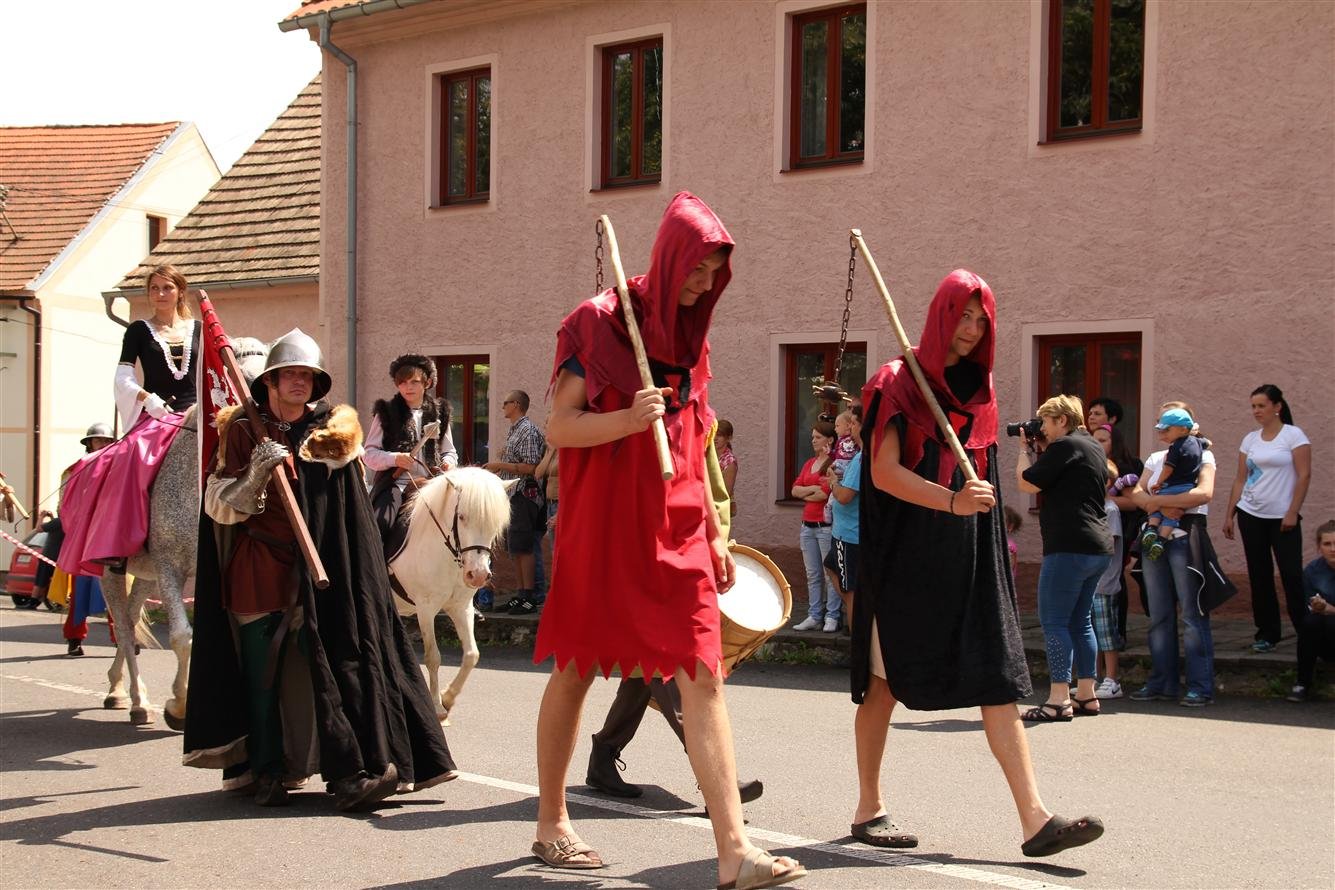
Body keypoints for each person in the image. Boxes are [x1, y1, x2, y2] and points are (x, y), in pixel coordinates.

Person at [531, 192, 805, 889]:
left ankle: (733, 852)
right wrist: (624, 419)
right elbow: (559, 428)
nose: (703, 284)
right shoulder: (595, 324)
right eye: (696, 270)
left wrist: (714, 525)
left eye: (714, 273)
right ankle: (552, 822)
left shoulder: (691, 337)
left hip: (678, 526)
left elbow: (696, 438)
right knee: (576, 669)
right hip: (603, 529)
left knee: (704, 677)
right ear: (669, 257)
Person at [852, 269, 1102, 858]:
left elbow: (983, 476)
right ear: (941, 316)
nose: (971, 329)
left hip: (968, 554)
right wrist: (951, 502)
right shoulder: (896, 381)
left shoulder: (980, 389)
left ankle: (1035, 820)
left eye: (980, 318)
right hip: (907, 559)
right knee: (883, 686)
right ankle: (868, 808)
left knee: (998, 674)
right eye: (962, 316)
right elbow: (883, 473)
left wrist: (983, 534)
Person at [184, 329, 457, 810]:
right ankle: (266, 770)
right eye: (289, 374)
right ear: (269, 381)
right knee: (262, 675)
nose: (298, 383)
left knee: (338, 666)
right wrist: (253, 475)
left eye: (306, 376)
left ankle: (350, 771)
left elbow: (346, 512)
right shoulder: (243, 429)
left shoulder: (331, 434)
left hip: (324, 570)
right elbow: (217, 506)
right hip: (260, 566)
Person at [584, 420, 763, 807]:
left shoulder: (701, 420)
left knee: (647, 673)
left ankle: (603, 754)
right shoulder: (628, 416)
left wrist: (716, 545)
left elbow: (712, 492)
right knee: (671, 671)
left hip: (684, 561)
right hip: (640, 563)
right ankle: (719, 779)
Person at [58, 264, 201, 576]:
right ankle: (121, 545)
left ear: (180, 291)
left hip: (197, 413)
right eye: (154, 288)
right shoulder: (138, 330)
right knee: (130, 455)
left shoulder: (199, 329)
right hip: (158, 414)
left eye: (167, 287)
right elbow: (123, 376)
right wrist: (146, 398)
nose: (160, 294)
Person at [1015, 395, 1113, 720]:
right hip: (1097, 546)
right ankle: (1086, 694)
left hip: (1068, 545)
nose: (1042, 427)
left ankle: (1058, 699)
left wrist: (1022, 450)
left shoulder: (1065, 446)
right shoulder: (1092, 446)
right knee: (1080, 620)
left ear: (1062, 421)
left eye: (1046, 421)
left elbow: (1027, 483)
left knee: (1054, 621)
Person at [1127, 401, 1222, 708]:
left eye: (1167, 424)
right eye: (1160, 422)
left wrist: (1163, 503)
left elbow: (1204, 493)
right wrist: (1161, 505)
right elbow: (1138, 493)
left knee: (1193, 616)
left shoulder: (1203, 453)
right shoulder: (1156, 457)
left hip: (1187, 535)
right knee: (1159, 615)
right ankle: (1162, 683)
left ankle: (1199, 687)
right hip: (1156, 532)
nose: (1162, 429)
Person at [1222, 384, 1312, 653]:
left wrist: (1293, 511)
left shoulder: (1293, 436)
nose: (1256, 411)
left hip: (1283, 517)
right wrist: (1230, 514)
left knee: (1291, 574)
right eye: (1253, 406)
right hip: (1251, 514)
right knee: (1259, 575)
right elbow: (1241, 478)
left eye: (1261, 405)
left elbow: (1304, 475)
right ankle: (1267, 632)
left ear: (1277, 406)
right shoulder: (1250, 439)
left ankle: (1305, 629)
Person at [364, 354, 457, 558]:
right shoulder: (385, 413)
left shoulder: (440, 413)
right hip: (394, 484)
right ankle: (377, 578)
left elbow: (449, 451)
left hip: (433, 483)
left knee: (464, 520)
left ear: (428, 382)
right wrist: (394, 458)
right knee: (379, 524)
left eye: (414, 381)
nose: (408, 387)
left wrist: (448, 464)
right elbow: (368, 454)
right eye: (402, 382)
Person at [483, 390, 545, 615]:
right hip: (513, 496)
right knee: (515, 548)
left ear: (516, 405)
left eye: (505, 403)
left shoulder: (527, 431)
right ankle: (521, 595)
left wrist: (500, 465)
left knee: (524, 548)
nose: (502, 407)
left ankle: (528, 596)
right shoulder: (516, 430)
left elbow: (532, 467)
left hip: (524, 495)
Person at [791, 422, 838, 632]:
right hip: (807, 526)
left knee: (830, 574)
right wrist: (812, 488)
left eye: (817, 437)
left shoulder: (833, 464)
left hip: (825, 526)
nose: (812, 440)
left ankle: (832, 616)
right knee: (813, 574)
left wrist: (807, 491)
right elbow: (794, 491)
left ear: (829, 440)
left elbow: (824, 494)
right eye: (812, 437)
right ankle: (814, 615)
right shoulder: (809, 463)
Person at [1138, 408, 1203, 560]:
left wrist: (1159, 483)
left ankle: (1151, 528)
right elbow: (1206, 443)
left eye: (1166, 430)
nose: (1162, 436)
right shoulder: (1198, 443)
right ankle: (1161, 541)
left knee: (1155, 505)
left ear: (1183, 429)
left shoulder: (1176, 447)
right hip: (1186, 488)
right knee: (1172, 515)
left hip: (1171, 486)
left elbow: (1168, 469)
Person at [825, 405, 863, 624]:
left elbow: (845, 496)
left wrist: (833, 483)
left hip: (849, 536)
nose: (851, 427)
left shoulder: (860, 459)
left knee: (850, 592)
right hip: (846, 534)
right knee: (831, 565)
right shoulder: (859, 456)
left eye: (854, 423)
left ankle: (856, 640)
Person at [1289, 520, 1335, 702]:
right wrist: (1316, 606)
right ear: (1319, 547)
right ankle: (1302, 683)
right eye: (1327, 544)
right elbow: (1308, 604)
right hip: (1325, 636)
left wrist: (1331, 609)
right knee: (1310, 622)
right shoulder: (1313, 571)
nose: (1333, 549)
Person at [716, 419, 738, 516]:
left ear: (728, 438)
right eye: (714, 434)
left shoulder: (729, 462)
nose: (715, 438)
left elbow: (726, 492)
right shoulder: (708, 454)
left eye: (720, 435)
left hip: (720, 509)